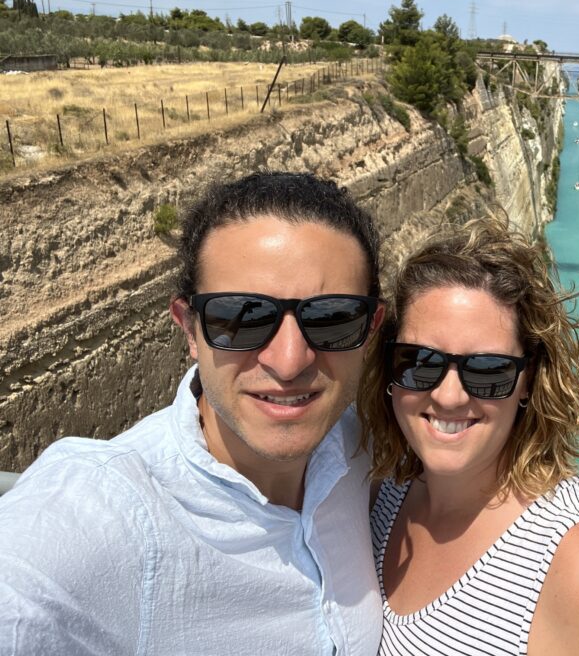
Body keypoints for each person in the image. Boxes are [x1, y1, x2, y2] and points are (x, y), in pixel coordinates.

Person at [0, 172, 385, 654]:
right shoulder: (107, 513)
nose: (289, 361)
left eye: (332, 319)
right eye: (242, 317)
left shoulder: (368, 448)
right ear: (189, 329)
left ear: (370, 330)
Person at [360, 215, 579, 655]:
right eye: (419, 361)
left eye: (488, 370)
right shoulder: (382, 495)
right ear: (390, 367)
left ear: (528, 379)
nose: (449, 395)